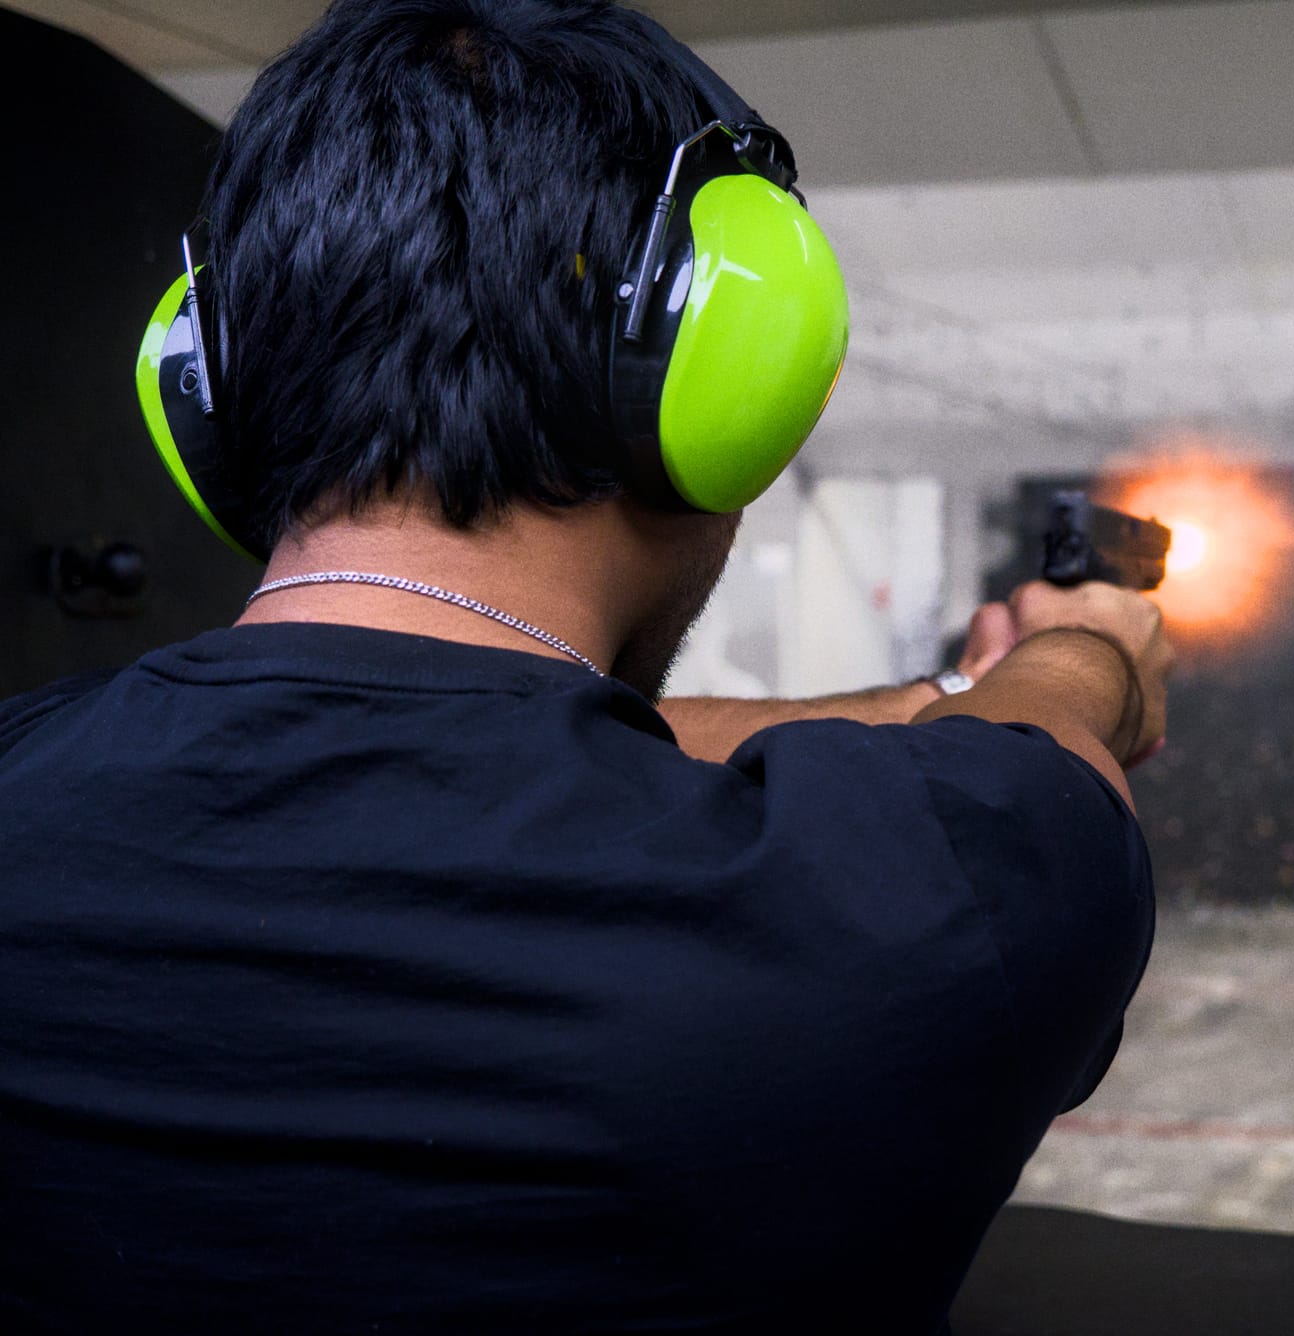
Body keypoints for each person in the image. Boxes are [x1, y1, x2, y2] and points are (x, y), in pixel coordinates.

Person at [0, 2, 1170, 1332]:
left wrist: (931, 702)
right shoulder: (923, 907)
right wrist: (1086, 648)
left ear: (207, 386)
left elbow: (439, 755)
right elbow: (1053, 748)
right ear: (726, 373)